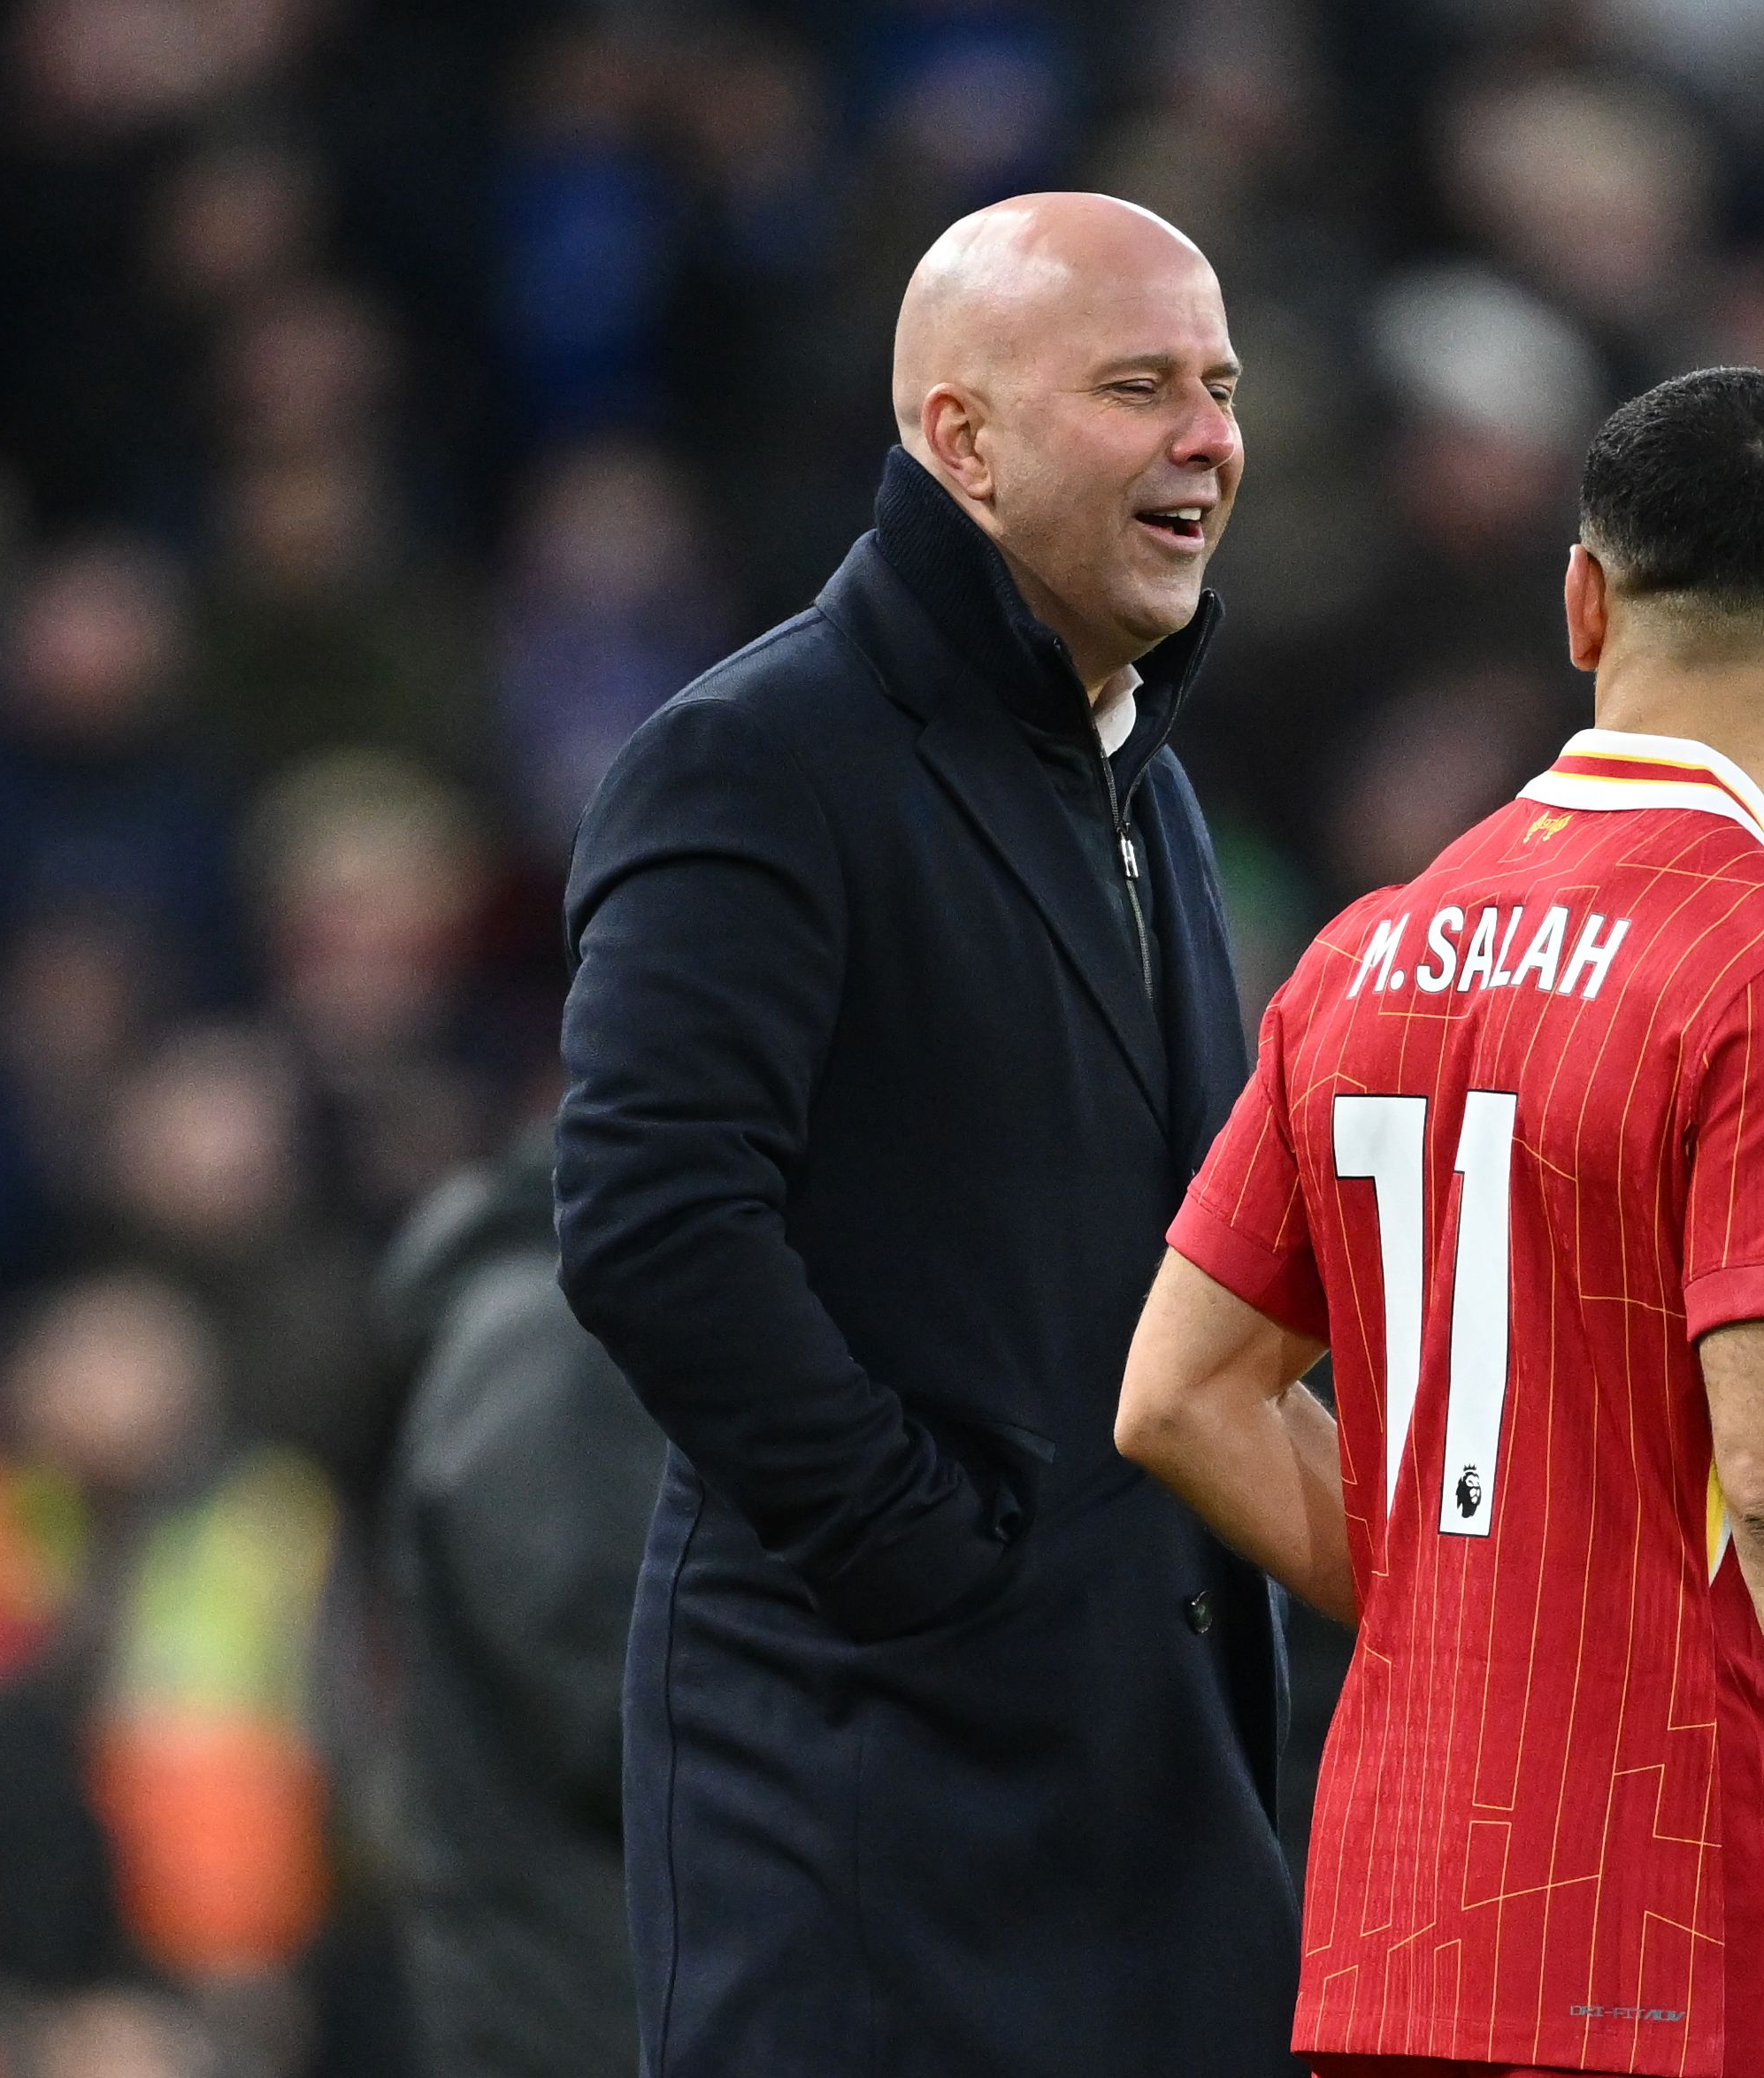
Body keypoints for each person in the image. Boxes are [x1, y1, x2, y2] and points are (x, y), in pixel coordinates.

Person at [1116, 368, 1764, 2078]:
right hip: (1676, 1940)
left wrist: (1453, 1594)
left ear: (1580, 600)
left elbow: (1178, 1390)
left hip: (1392, 1937)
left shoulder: (1364, 953)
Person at [551, 195, 1293, 2074]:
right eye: (1138, 387)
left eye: (1217, 387)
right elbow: (651, 1221)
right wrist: (933, 1562)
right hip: (869, 1796)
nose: (1207, 436)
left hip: (1152, 1801)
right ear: (961, 441)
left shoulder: (1155, 793)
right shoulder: (758, 753)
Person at [379, 1131, 658, 2078]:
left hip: (567, 1971)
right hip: (577, 1990)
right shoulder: (543, 1338)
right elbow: (590, 1684)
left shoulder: (541, 1325)